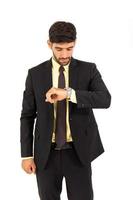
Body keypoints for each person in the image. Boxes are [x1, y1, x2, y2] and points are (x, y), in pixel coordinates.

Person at [20, 21, 111, 200]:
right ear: (49, 45)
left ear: (75, 43)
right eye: (59, 49)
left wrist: (69, 93)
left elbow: (105, 99)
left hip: (78, 153)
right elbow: (27, 116)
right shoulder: (35, 74)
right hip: (46, 154)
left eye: (69, 48)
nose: (64, 54)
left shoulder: (88, 69)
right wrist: (26, 155)